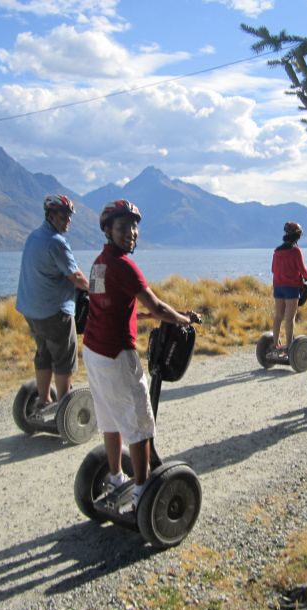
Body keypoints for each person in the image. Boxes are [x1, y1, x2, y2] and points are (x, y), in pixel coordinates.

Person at [82, 199, 199, 509]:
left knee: (109, 417)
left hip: (93, 352)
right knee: (140, 423)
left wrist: (171, 315)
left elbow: (116, 309)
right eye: (123, 227)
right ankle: (142, 491)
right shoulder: (123, 265)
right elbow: (156, 305)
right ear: (108, 230)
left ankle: (117, 478)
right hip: (116, 354)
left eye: (134, 227)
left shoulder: (98, 264)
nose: (131, 233)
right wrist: (183, 319)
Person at [15, 194, 90, 408]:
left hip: (31, 310)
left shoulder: (34, 237)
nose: (68, 220)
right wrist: (97, 290)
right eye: (63, 215)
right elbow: (75, 276)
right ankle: (65, 406)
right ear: (50, 215)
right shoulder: (56, 242)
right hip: (55, 310)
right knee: (64, 358)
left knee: (44, 353)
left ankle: (44, 399)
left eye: (69, 215)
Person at [270, 221, 307, 354]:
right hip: (291, 288)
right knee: (290, 318)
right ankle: (289, 346)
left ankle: (275, 344)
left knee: (278, 316)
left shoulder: (277, 251)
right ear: (297, 236)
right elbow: (303, 271)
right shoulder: (295, 251)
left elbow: (273, 269)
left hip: (278, 287)